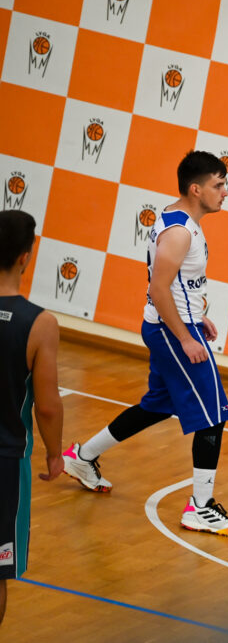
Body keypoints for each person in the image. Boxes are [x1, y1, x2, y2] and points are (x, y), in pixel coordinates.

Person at [62, 151, 228, 536]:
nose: (225, 192)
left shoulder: (181, 221)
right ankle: (200, 508)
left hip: (175, 324)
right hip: (172, 331)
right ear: (196, 189)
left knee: (157, 406)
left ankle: (82, 456)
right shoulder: (179, 232)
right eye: (218, 185)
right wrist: (185, 336)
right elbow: (158, 289)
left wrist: (197, 315)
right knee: (213, 414)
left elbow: (177, 285)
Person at [0, 211, 63, 626]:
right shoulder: (40, 323)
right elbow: (48, 406)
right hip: (5, 461)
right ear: (26, 257)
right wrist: (55, 454)